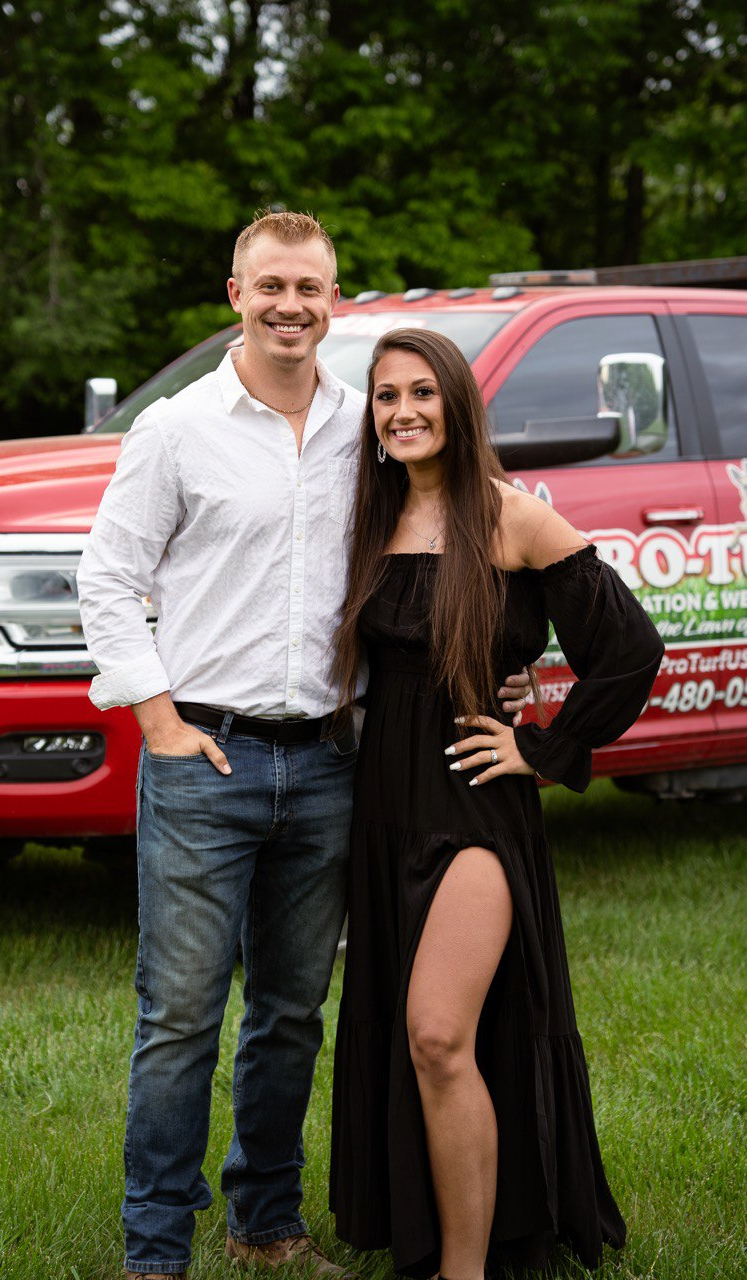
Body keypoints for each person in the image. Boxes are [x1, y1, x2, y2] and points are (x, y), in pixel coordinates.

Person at [76, 212, 532, 1280]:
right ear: (233, 291)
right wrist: (157, 721)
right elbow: (104, 579)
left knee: (291, 1010)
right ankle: (154, 1249)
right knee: (181, 1014)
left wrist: (505, 658)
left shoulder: (365, 425)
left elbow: (450, 535)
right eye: (269, 284)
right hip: (207, 758)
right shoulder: (178, 429)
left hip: (332, 760)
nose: (290, 304)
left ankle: (266, 1222)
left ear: (336, 300)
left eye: (310, 288)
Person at [328, 328, 665, 1280]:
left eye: (423, 392)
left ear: (458, 405)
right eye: (386, 395)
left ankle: (466, 1272)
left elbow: (631, 651)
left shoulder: (511, 517)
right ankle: (434, 1235)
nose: (402, 411)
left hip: (474, 807)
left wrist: (543, 743)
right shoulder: (370, 516)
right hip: (381, 809)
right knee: (421, 1039)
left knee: (437, 1030)